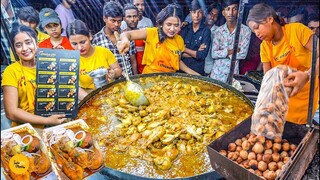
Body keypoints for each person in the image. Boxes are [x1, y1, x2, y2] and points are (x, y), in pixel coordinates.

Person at [247, 3, 319, 124]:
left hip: (307, 102)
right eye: (253, 31)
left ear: (270, 19)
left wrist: (307, 75)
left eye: (257, 27)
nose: (256, 33)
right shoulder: (265, 46)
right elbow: (268, 78)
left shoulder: (297, 30)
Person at [1, 24, 66, 128]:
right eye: (18, 45)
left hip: (57, 124)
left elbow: (66, 91)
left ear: (36, 43)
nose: (24, 48)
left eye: (28, 42)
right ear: (14, 49)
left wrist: (63, 61)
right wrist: (47, 120)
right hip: (28, 131)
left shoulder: (49, 64)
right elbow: (11, 112)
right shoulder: (11, 72)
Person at [117, 4, 200, 75]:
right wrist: (125, 41)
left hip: (170, 79)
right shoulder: (152, 33)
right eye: (169, 24)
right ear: (162, 23)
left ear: (181, 25)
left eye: (176, 25)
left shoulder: (179, 40)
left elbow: (177, 61)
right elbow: (126, 34)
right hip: (150, 78)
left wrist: (192, 73)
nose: (172, 29)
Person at [66, 19, 122, 93]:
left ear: (90, 37)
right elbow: (73, 87)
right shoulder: (71, 60)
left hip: (109, 92)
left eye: (83, 42)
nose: (79, 47)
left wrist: (114, 73)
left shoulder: (104, 52)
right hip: (87, 96)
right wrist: (90, 98)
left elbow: (119, 70)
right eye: (74, 44)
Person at [210, 0, 251, 82]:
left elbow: (243, 54)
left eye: (234, 9)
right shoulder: (218, 31)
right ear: (223, 12)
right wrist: (231, 51)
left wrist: (223, 53)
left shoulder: (246, 31)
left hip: (232, 75)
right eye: (228, 9)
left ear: (239, 11)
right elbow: (214, 54)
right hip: (217, 74)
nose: (231, 13)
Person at [92, 1, 138, 76]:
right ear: (104, 18)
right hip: (111, 83)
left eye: (119, 21)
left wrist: (136, 78)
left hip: (128, 80)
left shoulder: (126, 36)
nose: (117, 24)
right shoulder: (97, 40)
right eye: (113, 21)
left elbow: (133, 61)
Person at [180, 0, 211, 76]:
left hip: (197, 71)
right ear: (190, 13)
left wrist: (184, 49)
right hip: (181, 70)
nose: (196, 15)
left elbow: (202, 55)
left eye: (199, 12)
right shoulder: (184, 29)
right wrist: (196, 52)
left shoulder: (206, 31)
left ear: (203, 13)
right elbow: (178, 53)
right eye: (194, 12)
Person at [123, 3, 145, 74]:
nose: (132, 19)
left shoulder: (145, 35)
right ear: (124, 19)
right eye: (129, 16)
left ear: (138, 17)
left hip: (145, 73)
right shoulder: (122, 37)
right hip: (129, 75)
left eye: (135, 16)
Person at [204, 2, 222, 75]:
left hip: (210, 68)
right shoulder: (199, 28)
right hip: (196, 65)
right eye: (211, 14)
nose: (212, 17)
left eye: (216, 16)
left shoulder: (219, 31)